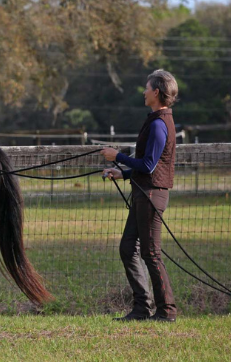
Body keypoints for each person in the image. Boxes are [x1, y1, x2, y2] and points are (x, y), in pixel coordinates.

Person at [100, 69, 179, 322]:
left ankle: (166, 311)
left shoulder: (159, 124)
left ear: (156, 92)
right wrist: (121, 174)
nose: (144, 92)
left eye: (147, 88)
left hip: (151, 195)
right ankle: (141, 308)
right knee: (127, 248)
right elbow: (145, 167)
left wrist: (118, 157)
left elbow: (148, 166)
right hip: (144, 192)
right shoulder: (156, 120)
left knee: (151, 253)